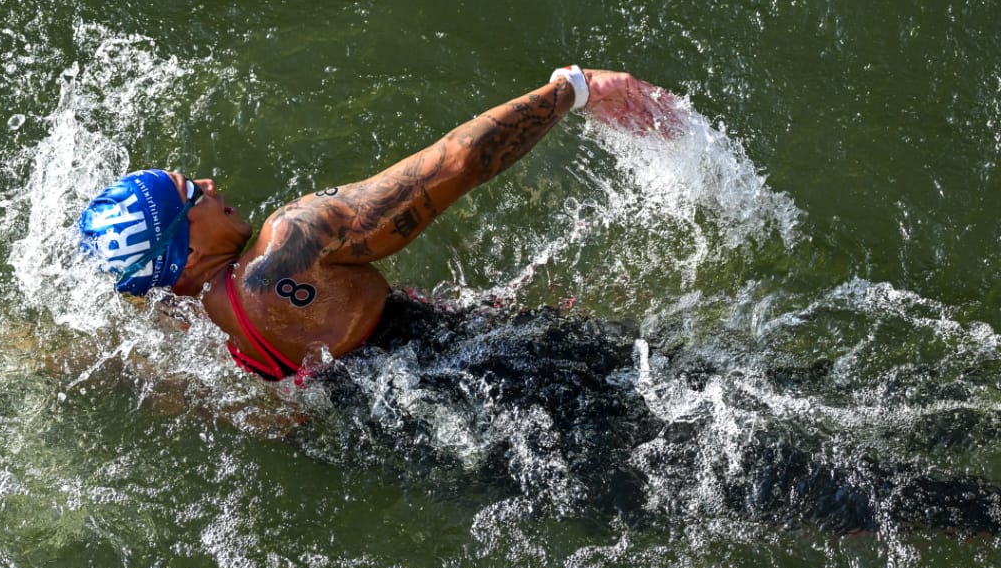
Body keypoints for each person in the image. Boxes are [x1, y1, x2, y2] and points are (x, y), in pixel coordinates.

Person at [77, 66, 682, 381]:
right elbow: (456, 162)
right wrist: (574, 91)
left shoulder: (201, 328)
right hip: (498, 369)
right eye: (191, 194)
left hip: (417, 439)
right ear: (181, 250)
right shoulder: (289, 240)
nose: (210, 185)